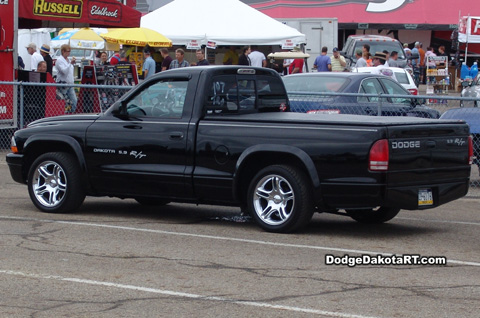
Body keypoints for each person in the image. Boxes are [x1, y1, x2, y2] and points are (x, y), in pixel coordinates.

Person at [55, 44, 78, 113]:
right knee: (63, 102)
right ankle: (64, 114)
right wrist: (70, 64)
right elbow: (64, 71)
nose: (69, 53)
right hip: (63, 85)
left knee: (74, 101)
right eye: (68, 51)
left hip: (70, 84)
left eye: (70, 51)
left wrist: (71, 63)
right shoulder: (59, 60)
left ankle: (72, 113)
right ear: (63, 51)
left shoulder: (68, 60)